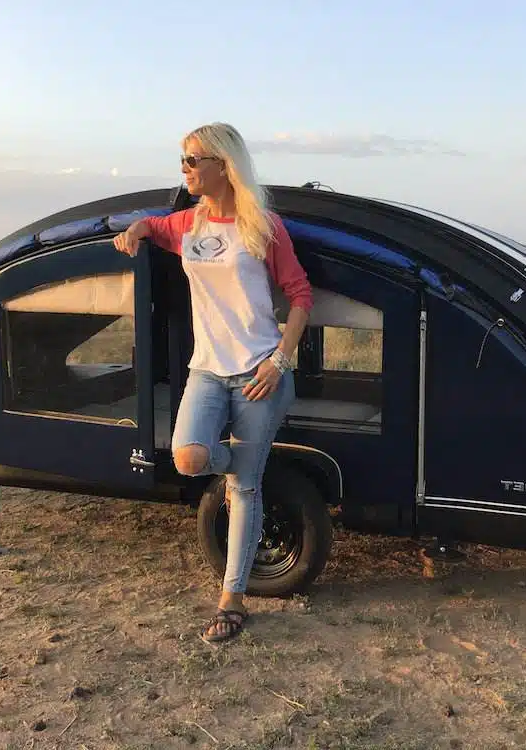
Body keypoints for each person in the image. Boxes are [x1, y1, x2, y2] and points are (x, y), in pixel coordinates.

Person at [113, 122, 313, 643]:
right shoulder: (188, 224)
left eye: (191, 160)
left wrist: (280, 362)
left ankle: (231, 599)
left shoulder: (262, 227)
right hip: (206, 369)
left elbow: (300, 296)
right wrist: (136, 230)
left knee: (244, 487)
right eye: (182, 159)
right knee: (189, 458)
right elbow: (153, 227)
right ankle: (238, 456)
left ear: (223, 166)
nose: (184, 169)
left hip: (258, 374)